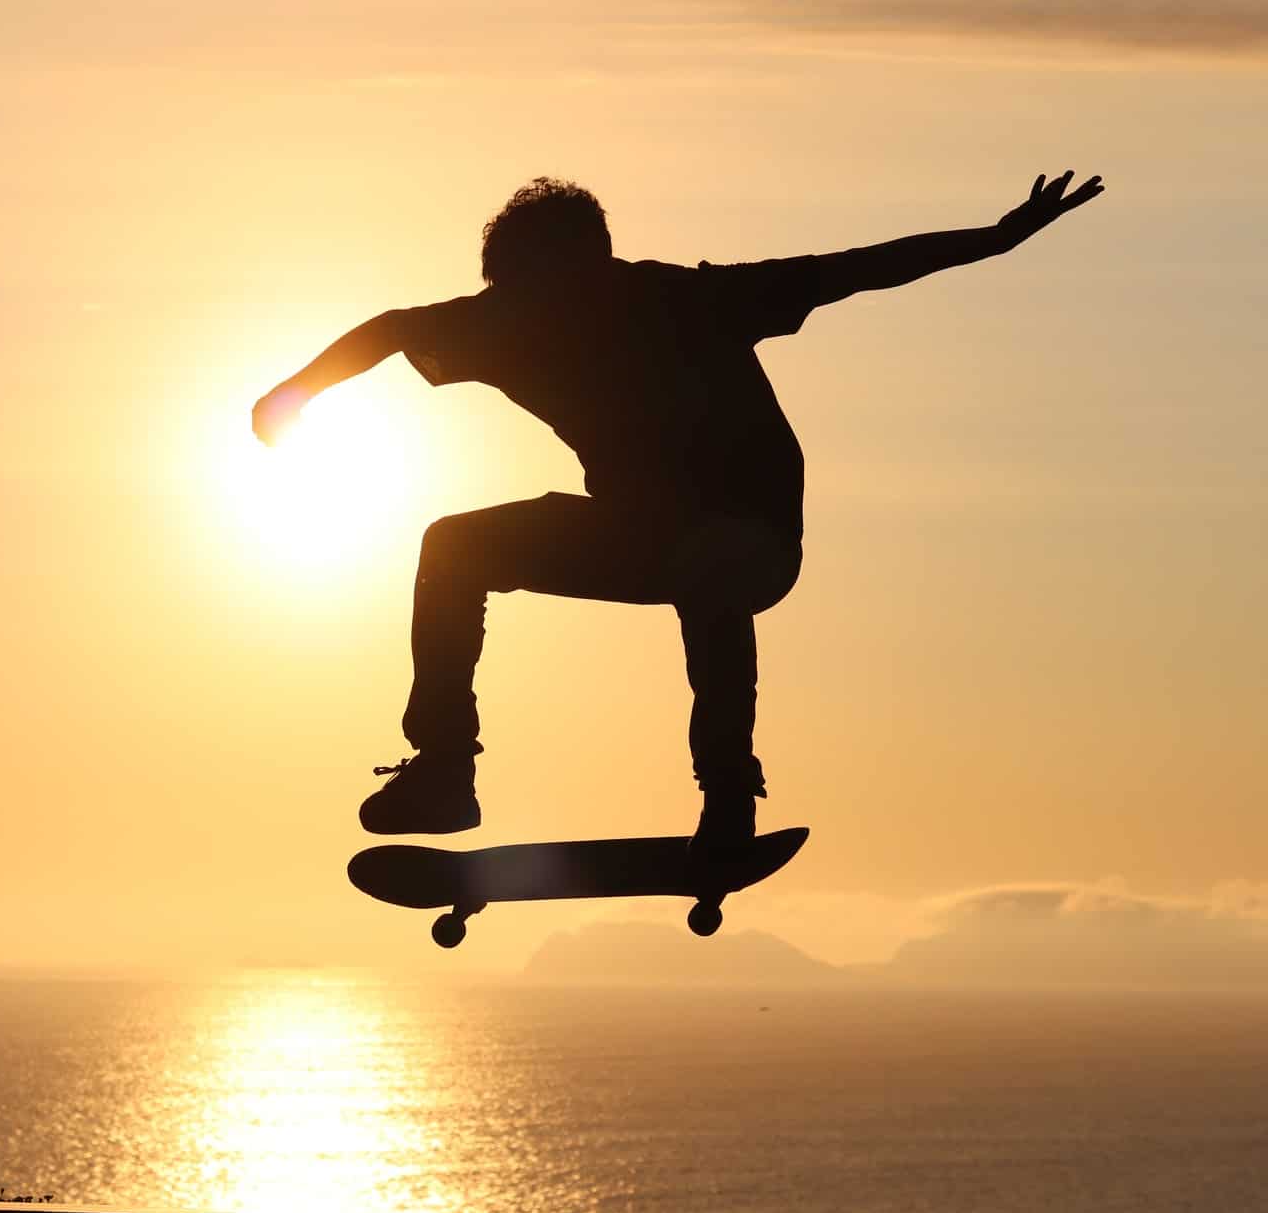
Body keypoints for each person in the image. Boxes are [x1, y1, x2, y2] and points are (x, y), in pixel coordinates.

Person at [251, 170, 1104, 868]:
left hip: (753, 536)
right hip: (636, 538)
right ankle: (444, 772)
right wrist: (296, 390)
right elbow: (398, 328)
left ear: (584, 268)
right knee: (456, 546)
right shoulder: (512, 321)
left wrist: (997, 238)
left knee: (709, 560)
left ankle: (728, 792)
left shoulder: (692, 300)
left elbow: (861, 266)